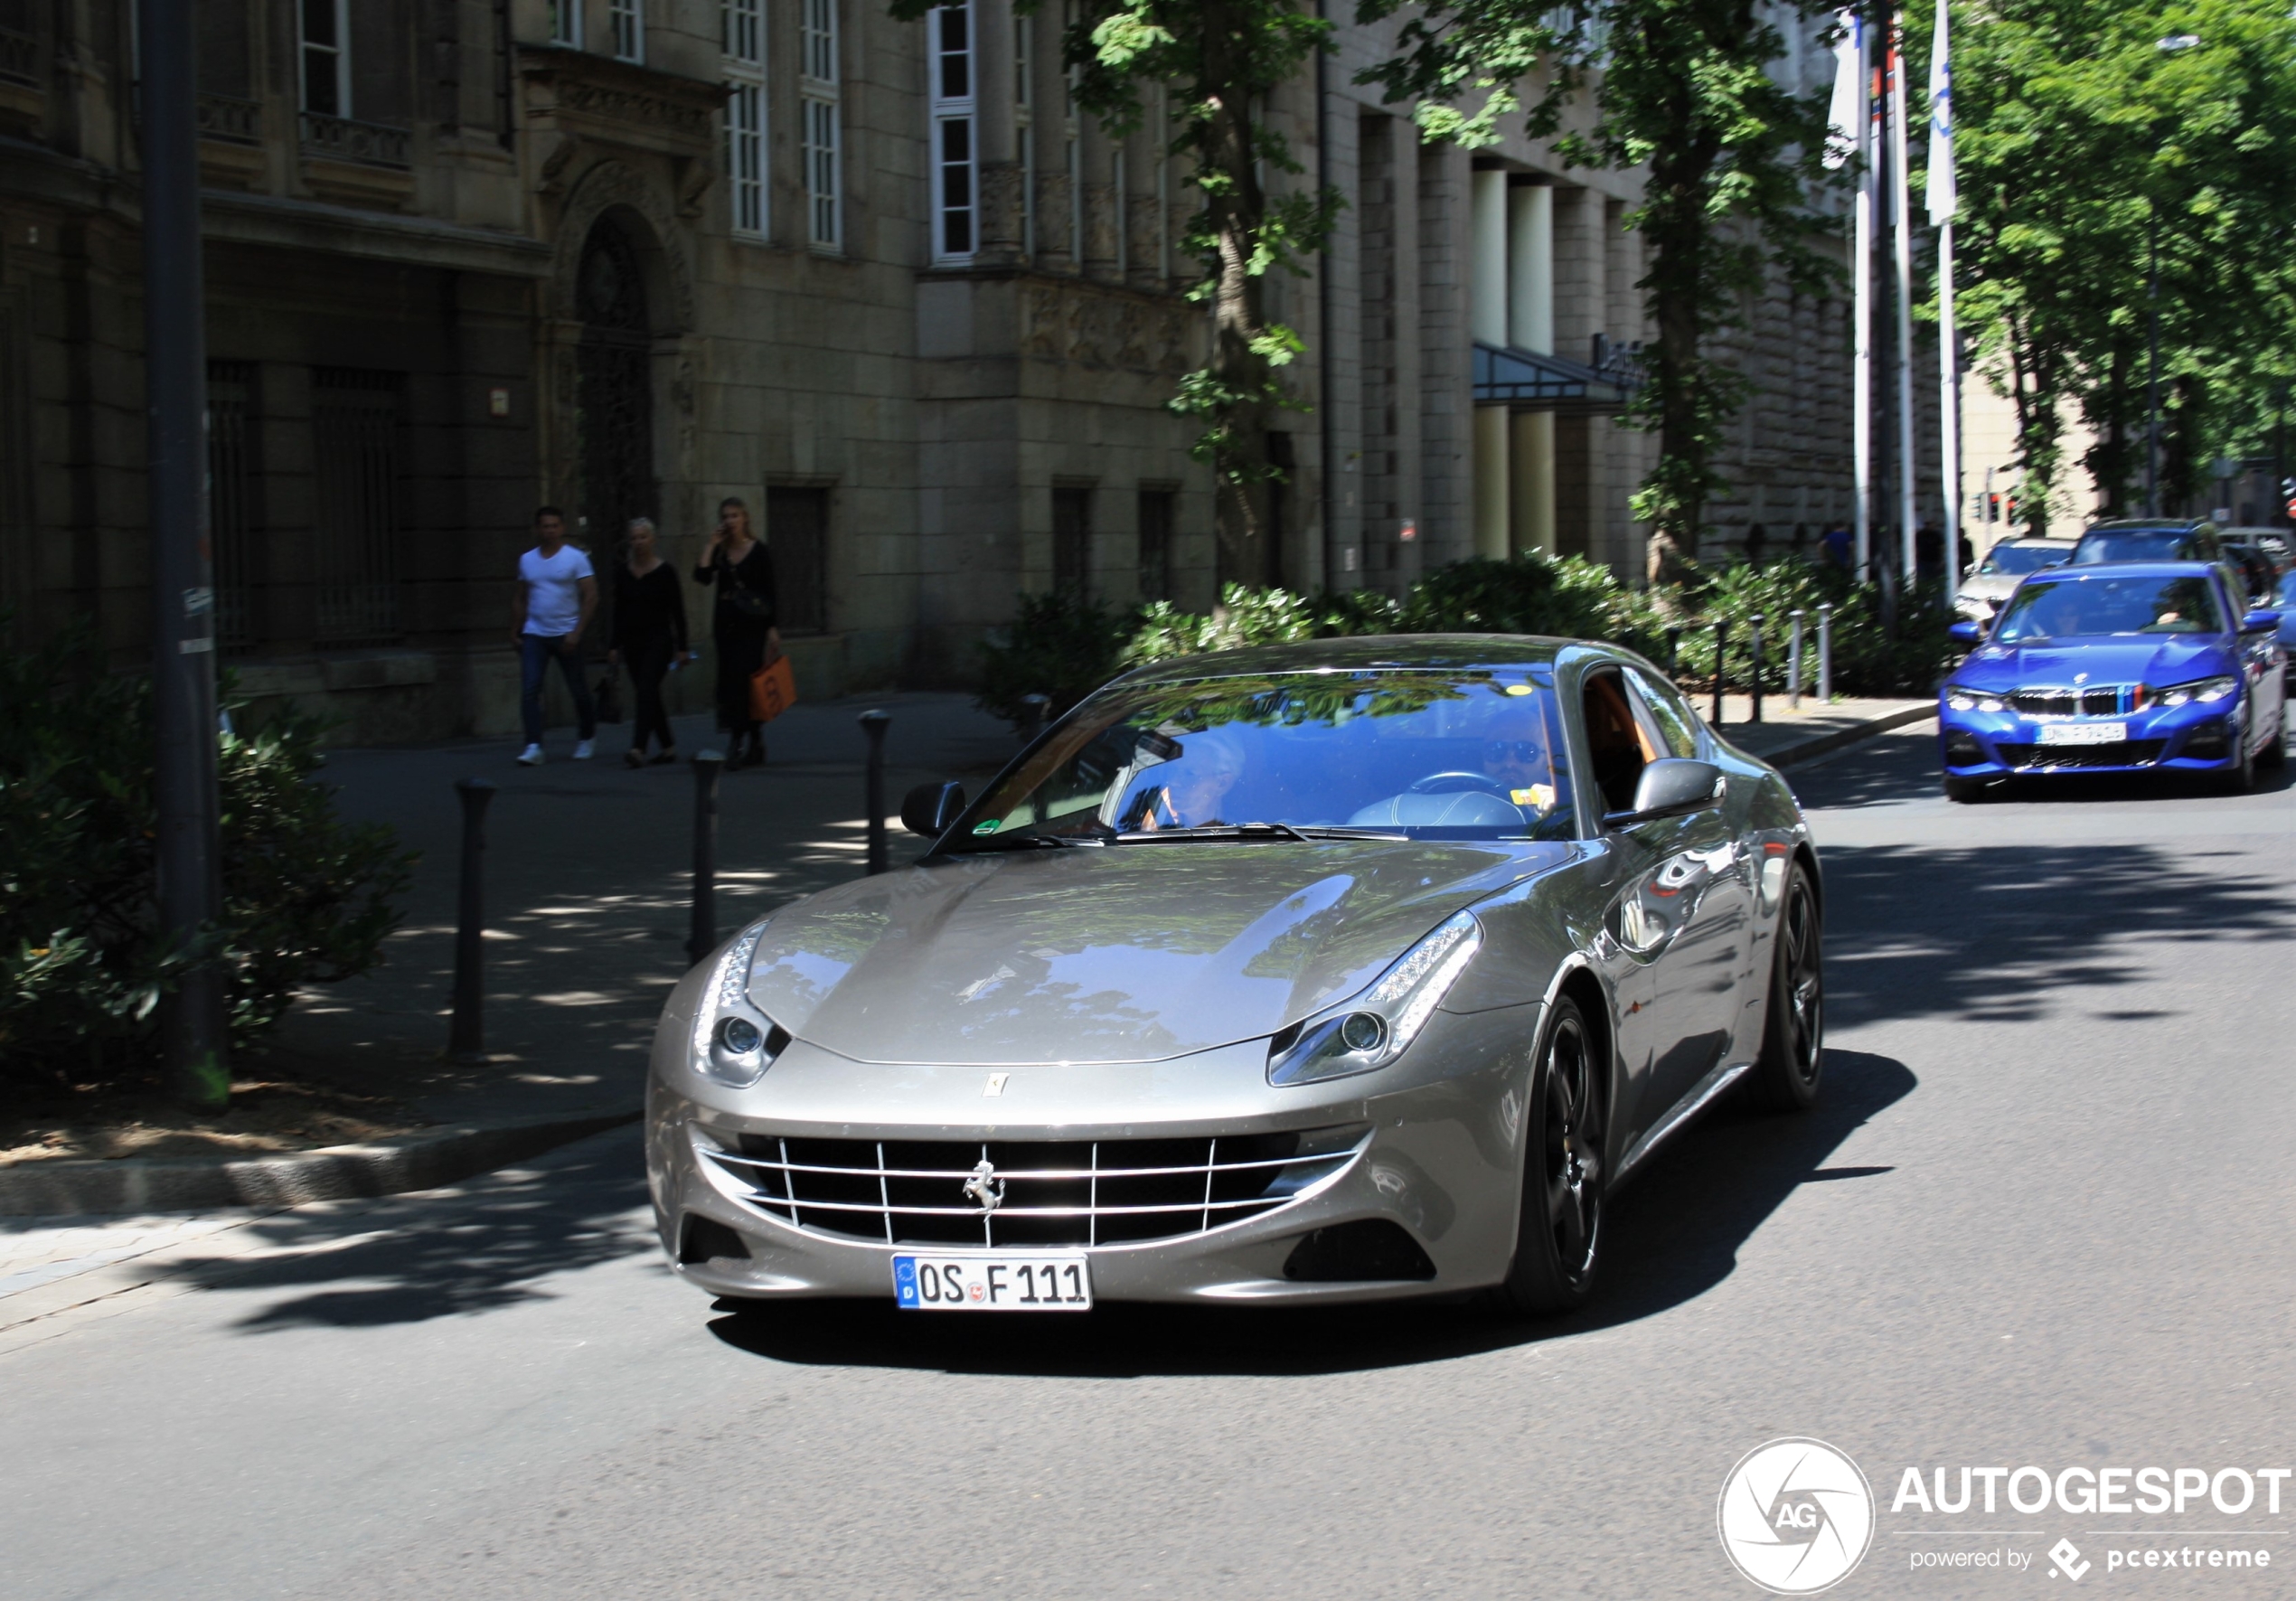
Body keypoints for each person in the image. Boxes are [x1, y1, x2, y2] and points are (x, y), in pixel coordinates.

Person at [692, 496, 780, 769]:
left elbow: (770, 591)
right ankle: (752, 741)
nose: (730, 521)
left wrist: (772, 629)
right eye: (726, 516)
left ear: (745, 519)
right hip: (726, 626)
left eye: (734, 516)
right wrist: (711, 544)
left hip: (752, 627)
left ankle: (740, 742)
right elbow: (702, 577)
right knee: (730, 684)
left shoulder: (759, 550)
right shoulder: (721, 552)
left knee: (747, 683)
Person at [513, 505, 598, 767]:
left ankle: (586, 737)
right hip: (535, 634)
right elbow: (520, 597)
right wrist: (514, 630)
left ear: (562, 528)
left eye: (554, 526)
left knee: (578, 690)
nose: (549, 531)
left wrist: (577, 632)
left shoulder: (575, 558)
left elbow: (591, 596)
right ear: (537, 529)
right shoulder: (527, 560)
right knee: (530, 690)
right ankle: (534, 745)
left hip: (566, 633)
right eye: (545, 526)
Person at [608, 516, 691, 768]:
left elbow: (678, 611)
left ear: (653, 539)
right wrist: (614, 645)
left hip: (659, 640)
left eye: (643, 537)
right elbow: (618, 611)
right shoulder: (623, 572)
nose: (638, 542)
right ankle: (668, 747)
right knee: (649, 694)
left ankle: (638, 748)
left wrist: (683, 647)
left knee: (646, 689)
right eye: (634, 538)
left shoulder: (666, 572)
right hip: (632, 642)